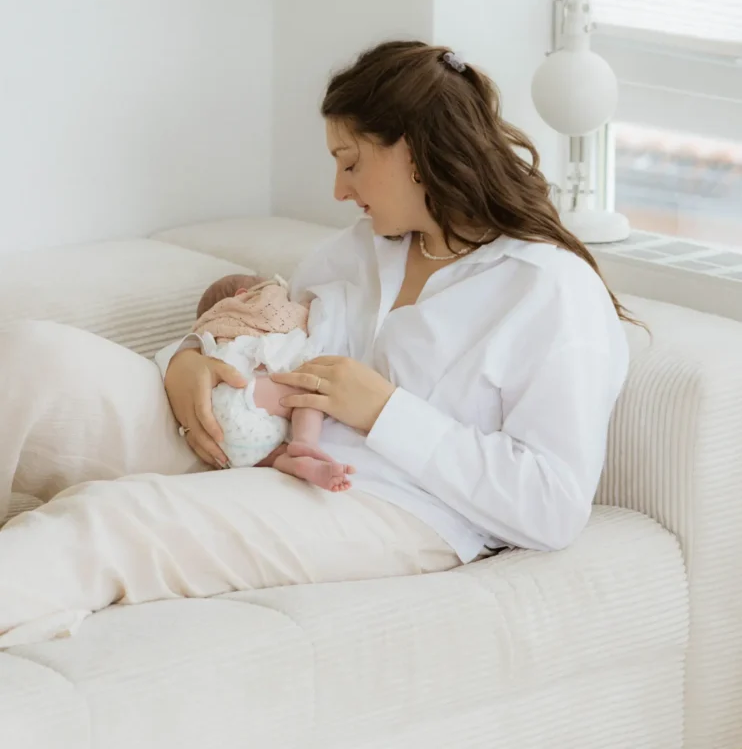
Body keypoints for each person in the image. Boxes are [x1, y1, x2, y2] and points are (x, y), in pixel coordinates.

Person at [0, 39, 631, 650]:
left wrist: (384, 411)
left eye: (350, 162)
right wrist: (187, 357)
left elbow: (552, 506)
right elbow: (267, 328)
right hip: (251, 433)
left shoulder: (548, 289)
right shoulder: (358, 248)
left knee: (110, 519)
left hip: (388, 502)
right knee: (31, 357)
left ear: (415, 151)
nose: (339, 190)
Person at [188, 273, 356, 491]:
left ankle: (296, 463)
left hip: (223, 441)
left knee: (276, 455)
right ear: (244, 296)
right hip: (239, 396)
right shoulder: (258, 306)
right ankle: (305, 443)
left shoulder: (208, 335)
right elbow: (288, 315)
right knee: (308, 392)